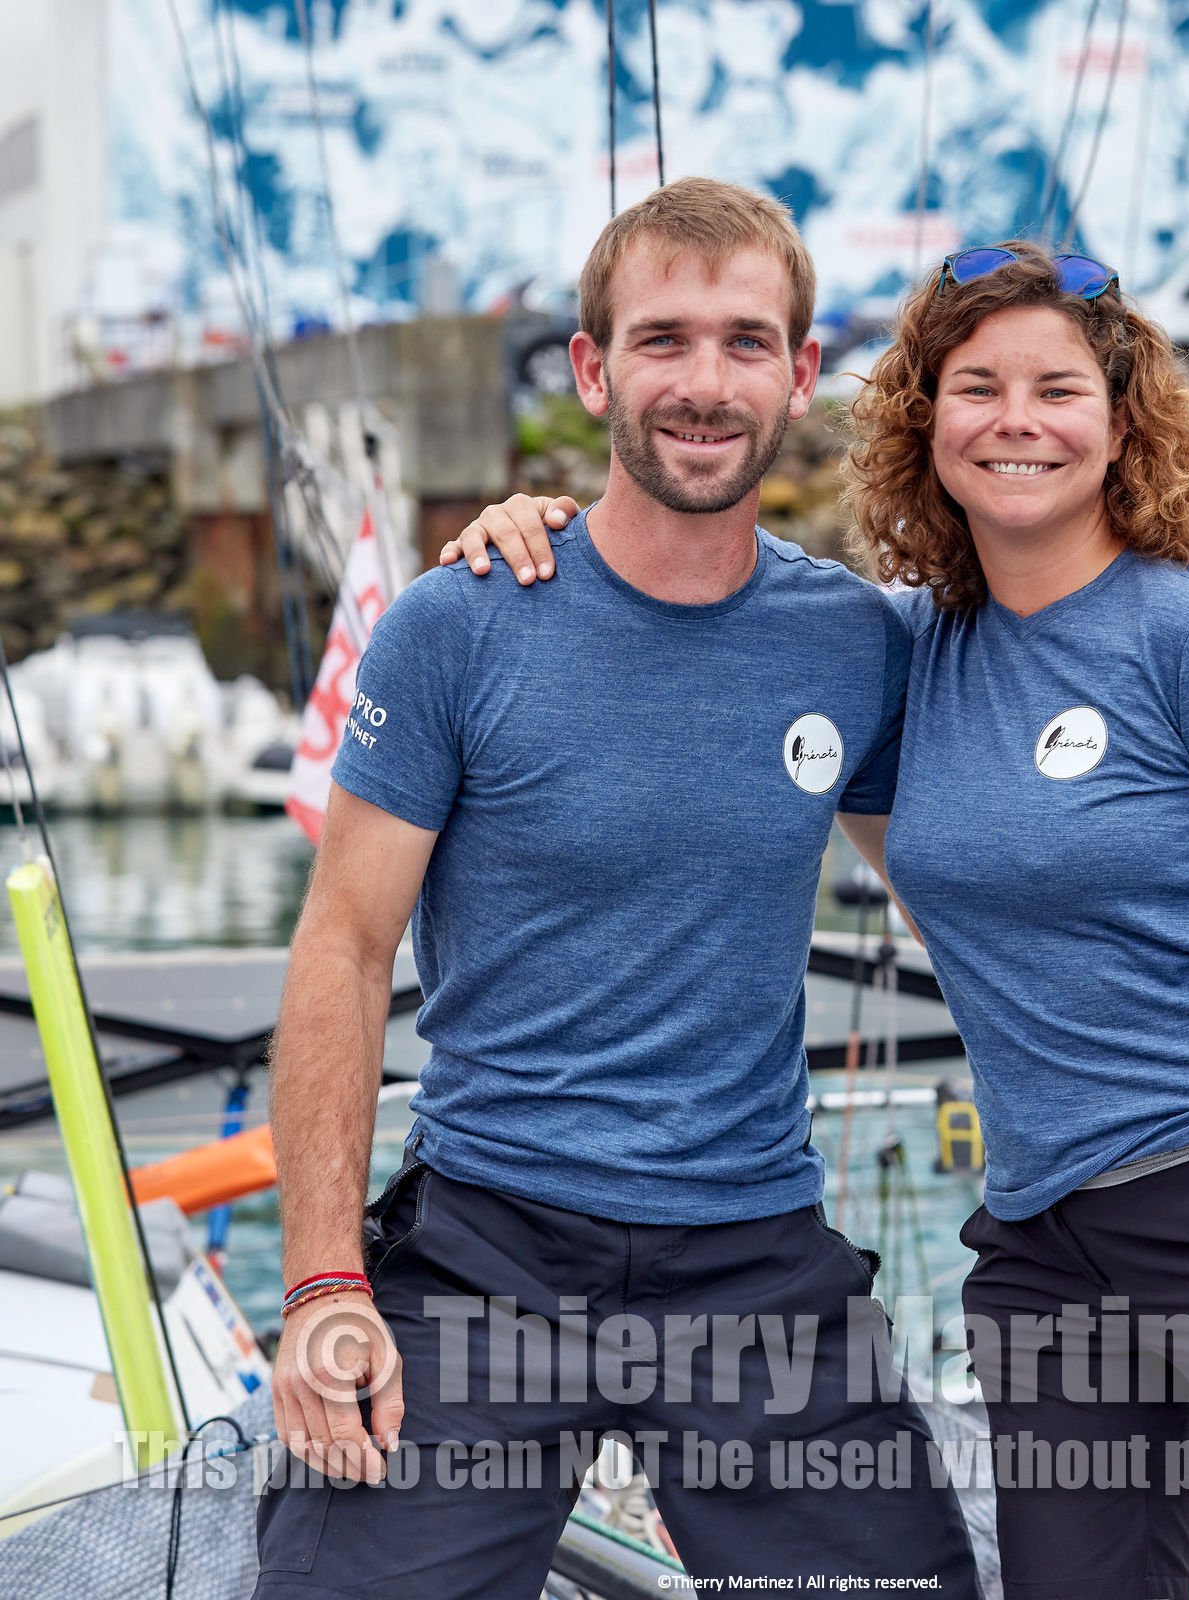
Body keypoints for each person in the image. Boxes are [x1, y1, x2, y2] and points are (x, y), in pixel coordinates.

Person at [445, 242, 1189, 1600]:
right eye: (977, 387)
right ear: (927, 424)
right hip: (1048, 1251)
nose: (1018, 419)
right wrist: (537, 527)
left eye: (1057, 387)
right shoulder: (914, 651)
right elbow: (703, 595)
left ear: (1122, 422)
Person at [258, 177, 979, 1599]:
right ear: (593, 370)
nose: (703, 384)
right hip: (487, 1250)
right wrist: (324, 1284)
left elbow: (978, 901)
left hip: (752, 1257)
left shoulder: (859, 646)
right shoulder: (459, 624)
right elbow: (342, 948)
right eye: (663, 340)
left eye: (742, 342)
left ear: (795, 370)